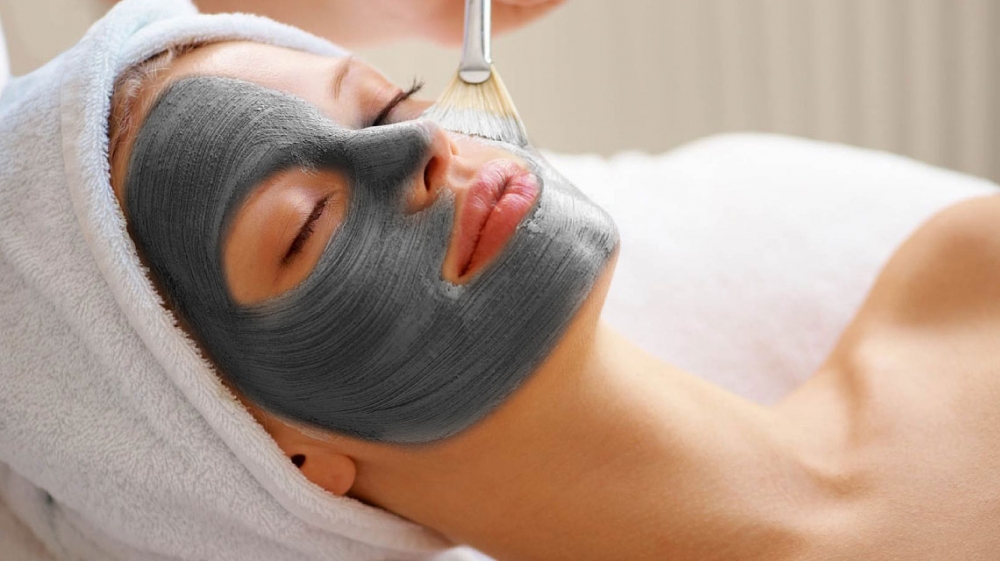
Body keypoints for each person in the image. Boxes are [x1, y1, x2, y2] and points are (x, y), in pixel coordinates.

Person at [111, 38, 1000, 561]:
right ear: (285, 457)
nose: (425, 145)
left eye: (386, 109)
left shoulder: (967, 279)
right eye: (307, 223)